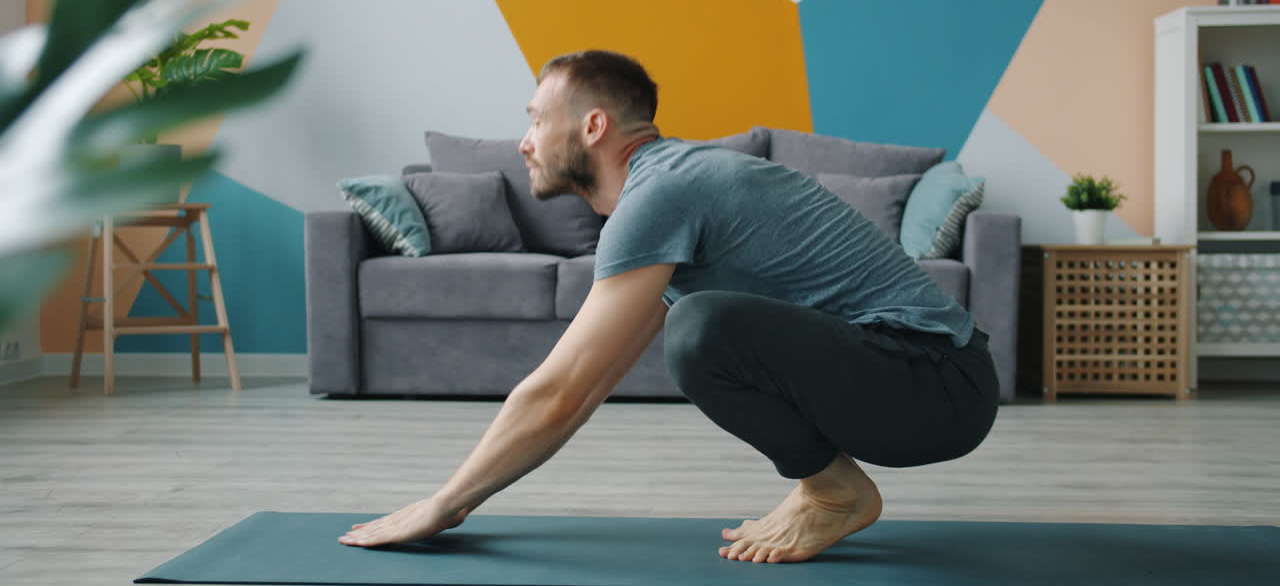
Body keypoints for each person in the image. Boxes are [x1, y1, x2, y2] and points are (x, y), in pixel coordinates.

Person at [338, 50, 1000, 563]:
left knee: (700, 327)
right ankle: (824, 486)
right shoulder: (672, 187)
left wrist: (445, 504)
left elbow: (558, 392)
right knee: (700, 326)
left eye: (537, 118)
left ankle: (834, 492)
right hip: (929, 384)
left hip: (934, 385)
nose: (524, 140)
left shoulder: (659, 196)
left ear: (593, 126)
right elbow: (589, 382)